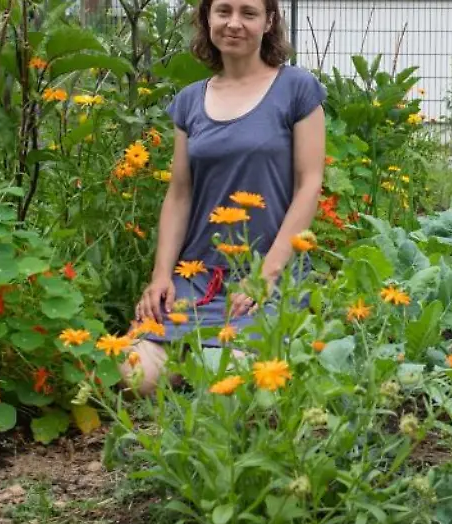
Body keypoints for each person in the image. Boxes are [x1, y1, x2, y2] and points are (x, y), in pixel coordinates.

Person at [120, 0, 327, 396]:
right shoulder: (190, 101)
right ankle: (196, 361)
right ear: (207, 19)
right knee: (134, 375)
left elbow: (309, 184)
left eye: (248, 13)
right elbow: (180, 194)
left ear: (268, 22)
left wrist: (265, 276)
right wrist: (162, 275)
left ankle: (204, 365)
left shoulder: (297, 89)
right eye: (223, 11)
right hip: (199, 276)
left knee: (238, 380)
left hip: (269, 274)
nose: (234, 23)